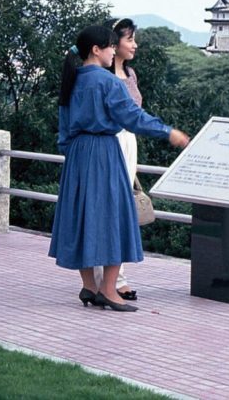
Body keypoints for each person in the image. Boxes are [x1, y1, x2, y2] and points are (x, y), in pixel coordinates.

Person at [48, 25, 189, 312]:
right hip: (103, 152)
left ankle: (89, 286)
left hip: (77, 155)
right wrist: (168, 132)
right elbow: (132, 116)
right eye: (111, 46)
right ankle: (109, 291)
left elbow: (63, 131)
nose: (114, 51)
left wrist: (75, 153)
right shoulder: (107, 81)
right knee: (114, 217)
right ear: (96, 50)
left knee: (83, 216)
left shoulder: (71, 80)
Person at [93, 17, 145, 301]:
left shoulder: (131, 74)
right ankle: (111, 280)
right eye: (129, 39)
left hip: (128, 142)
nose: (134, 45)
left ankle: (113, 277)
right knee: (109, 207)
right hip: (109, 141)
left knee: (121, 208)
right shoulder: (101, 76)